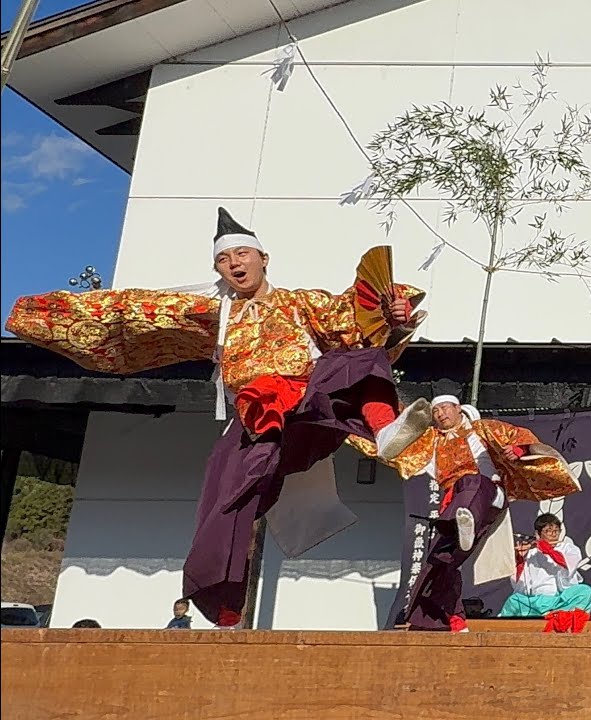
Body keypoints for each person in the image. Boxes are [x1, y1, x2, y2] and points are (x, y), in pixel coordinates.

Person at [5, 208, 431, 628]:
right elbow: (131, 311)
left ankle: (384, 428)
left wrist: (393, 316)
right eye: (224, 260)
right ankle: (225, 604)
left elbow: (355, 320)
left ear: (264, 258)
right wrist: (44, 315)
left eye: (242, 255)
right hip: (257, 418)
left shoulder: (302, 304)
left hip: (308, 402)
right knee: (225, 502)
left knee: (359, 358)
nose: (234, 264)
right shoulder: (217, 314)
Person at [352, 396, 579, 633]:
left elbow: (516, 436)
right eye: (436, 410)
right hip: (451, 507)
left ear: (458, 408)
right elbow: (397, 440)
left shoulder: (481, 429)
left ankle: (467, 516)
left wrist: (519, 449)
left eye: (445, 408)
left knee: (470, 481)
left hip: (487, 492)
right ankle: (443, 620)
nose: (440, 414)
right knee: (439, 561)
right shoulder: (431, 440)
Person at [499, 513, 591, 620]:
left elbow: (567, 563)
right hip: (536, 602)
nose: (553, 535)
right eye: (548, 531)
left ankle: (557, 614)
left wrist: (548, 549)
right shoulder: (531, 552)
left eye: (556, 531)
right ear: (538, 533)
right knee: (514, 600)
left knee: (585, 591)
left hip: (559, 599)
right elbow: (518, 583)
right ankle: (547, 614)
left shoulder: (568, 548)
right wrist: (520, 559)